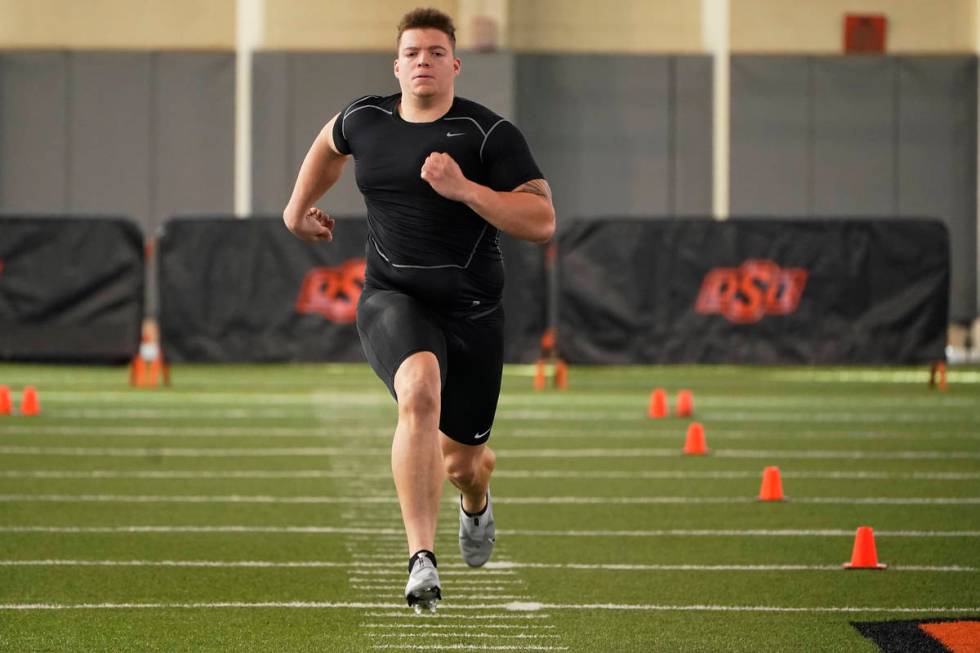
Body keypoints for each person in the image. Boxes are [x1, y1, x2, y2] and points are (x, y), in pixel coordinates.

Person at [282, 7, 555, 613]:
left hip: (475, 312)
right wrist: (296, 208)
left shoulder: (490, 135)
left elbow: (541, 221)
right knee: (419, 392)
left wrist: (464, 189)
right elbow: (330, 143)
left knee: (463, 463)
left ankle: (477, 504)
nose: (423, 62)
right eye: (413, 53)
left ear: (454, 64)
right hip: (393, 298)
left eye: (435, 52)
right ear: (397, 65)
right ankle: (421, 560)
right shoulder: (367, 117)